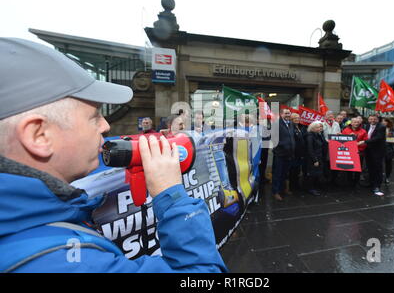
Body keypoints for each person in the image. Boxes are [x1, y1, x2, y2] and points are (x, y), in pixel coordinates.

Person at [0, 38, 227, 273]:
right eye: (94, 116)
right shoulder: (66, 264)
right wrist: (172, 197)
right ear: (39, 135)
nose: (106, 126)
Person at [271, 108, 295, 201]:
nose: (288, 115)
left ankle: (282, 189)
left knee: (285, 173)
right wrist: (282, 145)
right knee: (277, 173)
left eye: (289, 113)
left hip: (289, 154)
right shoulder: (276, 124)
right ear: (281, 114)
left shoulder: (291, 124)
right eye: (286, 113)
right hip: (280, 154)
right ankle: (275, 192)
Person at [360, 114, 386, 196]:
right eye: (370, 119)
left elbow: (378, 138)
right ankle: (371, 183)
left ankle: (377, 186)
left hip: (377, 151)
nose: (372, 121)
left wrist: (365, 142)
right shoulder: (366, 126)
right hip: (368, 150)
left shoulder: (381, 127)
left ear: (377, 120)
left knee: (378, 169)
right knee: (370, 167)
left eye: (374, 119)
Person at [342, 118, 368, 187]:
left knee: (358, 168)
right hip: (349, 151)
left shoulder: (363, 131)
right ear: (351, 123)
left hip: (359, 152)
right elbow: (341, 141)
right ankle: (349, 181)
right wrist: (348, 137)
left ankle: (356, 181)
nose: (356, 124)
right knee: (349, 167)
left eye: (357, 122)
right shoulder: (346, 130)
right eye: (354, 122)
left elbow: (366, 142)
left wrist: (360, 144)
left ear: (359, 123)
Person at [304, 121, 326, 196]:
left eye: (321, 127)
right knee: (312, 174)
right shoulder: (310, 136)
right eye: (318, 127)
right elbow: (310, 149)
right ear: (313, 128)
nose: (320, 128)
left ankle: (315, 187)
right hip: (313, 159)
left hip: (319, 157)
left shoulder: (318, 135)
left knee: (317, 173)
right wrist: (315, 160)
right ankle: (310, 189)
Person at [288, 113, 305, 193]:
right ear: (291, 119)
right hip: (293, 153)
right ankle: (291, 187)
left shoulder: (300, 127)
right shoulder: (290, 127)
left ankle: (297, 185)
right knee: (292, 171)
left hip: (300, 153)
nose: (297, 119)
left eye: (298, 118)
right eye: (295, 118)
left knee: (297, 170)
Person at [382, 118, 394, 185]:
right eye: (382, 121)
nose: (383, 123)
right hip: (381, 148)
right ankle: (380, 176)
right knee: (379, 163)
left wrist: (391, 138)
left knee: (388, 163)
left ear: (388, 122)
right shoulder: (380, 128)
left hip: (390, 148)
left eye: (385, 121)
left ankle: (387, 177)